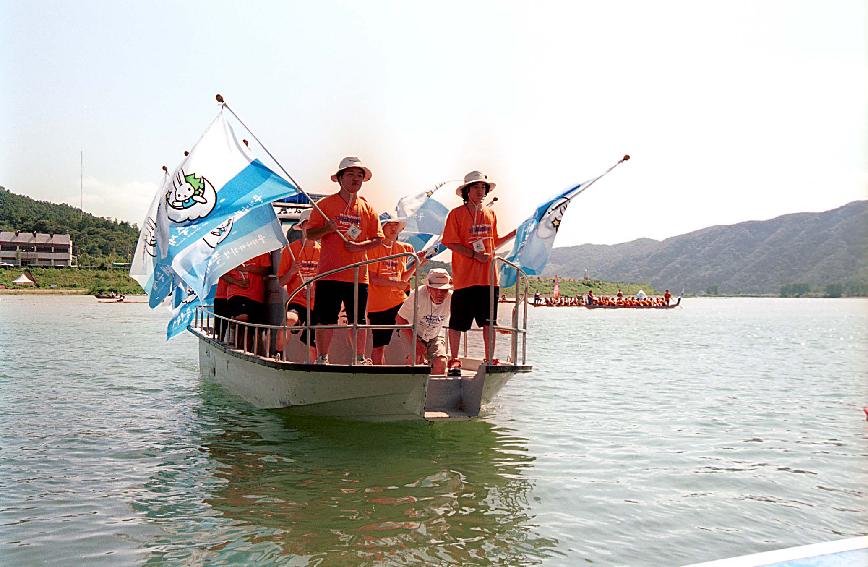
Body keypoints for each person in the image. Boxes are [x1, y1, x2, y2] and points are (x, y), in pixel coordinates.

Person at [305, 157, 384, 364]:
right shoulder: (324, 205)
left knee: (357, 321)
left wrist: (359, 247)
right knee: (325, 320)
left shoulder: (368, 208)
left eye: (359, 175)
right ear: (340, 178)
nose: (355, 179)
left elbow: (379, 239)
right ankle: (322, 357)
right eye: (350, 174)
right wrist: (327, 229)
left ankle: (359, 357)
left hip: (358, 276)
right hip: (328, 273)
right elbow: (311, 234)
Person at [442, 170, 516, 374]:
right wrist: (475, 256)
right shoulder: (455, 214)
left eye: (483, 187)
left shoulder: (491, 214)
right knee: (457, 322)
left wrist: (515, 234)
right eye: (476, 187)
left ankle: (489, 358)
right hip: (465, 278)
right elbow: (450, 242)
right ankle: (454, 359)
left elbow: (494, 242)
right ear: (466, 191)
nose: (480, 190)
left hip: (489, 279)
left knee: (489, 323)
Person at [366, 214, 416, 365]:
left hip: (399, 300)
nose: (394, 228)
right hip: (378, 304)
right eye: (390, 225)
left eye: (397, 225)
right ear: (382, 227)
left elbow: (402, 278)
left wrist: (418, 264)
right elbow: (373, 278)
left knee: (412, 332)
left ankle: (416, 363)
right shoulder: (373, 248)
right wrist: (396, 284)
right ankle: (378, 374)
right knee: (379, 346)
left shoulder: (404, 249)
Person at [277, 208, 320, 361]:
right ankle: (278, 356)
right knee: (288, 320)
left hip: (318, 305)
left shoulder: (324, 251)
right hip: (297, 302)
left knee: (314, 344)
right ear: (301, 227)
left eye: (314, 225)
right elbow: (281, 282)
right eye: (307, 225)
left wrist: (316, 291)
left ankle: (312, 368)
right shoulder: (290, 250)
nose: (310, 228)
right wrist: (292, 271)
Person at [395, 268, 453, 375]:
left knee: (441, 363)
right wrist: (415, 342)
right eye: (436, 289)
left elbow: (457, 325)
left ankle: (433, 390)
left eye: (444, 290)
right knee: (415, 360)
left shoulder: (452, 298)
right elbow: (400, 318)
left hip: (434, 335)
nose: (440, 293)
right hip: (413, 332)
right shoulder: (418, 294)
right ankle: (411, 387)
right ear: (428, 288)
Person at [225, 253, 271, 350]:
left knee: (252, 328)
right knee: (243, 317)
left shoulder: (263, 249)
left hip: (256, 295)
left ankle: (246, 351)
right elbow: (223, 274)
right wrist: (237, 282)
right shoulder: (232, 251)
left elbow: (265, 270)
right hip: (236, 293)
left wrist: (249, 268)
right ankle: (232, 329)